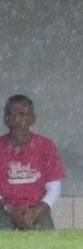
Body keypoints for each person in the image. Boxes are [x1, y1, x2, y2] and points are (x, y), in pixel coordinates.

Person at [0, 95, 65, 231]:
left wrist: (34, 213)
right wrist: (10, 210)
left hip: (38, 211)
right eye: (11, 115)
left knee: (46, 246)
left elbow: (54, 189)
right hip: (4, 212)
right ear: (5, 119)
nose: (17, 120)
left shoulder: (46, 146)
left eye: (22, 115)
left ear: (32, 119)